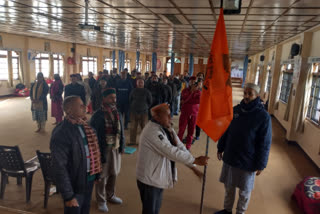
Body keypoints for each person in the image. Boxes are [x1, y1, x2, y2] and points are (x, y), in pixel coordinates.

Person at [136, 103, 210, 214]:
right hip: (149, 181)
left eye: (170, 115)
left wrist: (193, 166)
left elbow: (179, 146)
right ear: (157, 117)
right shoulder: (152, 132)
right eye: (167, 115)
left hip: (156, 177)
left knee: (155, 209)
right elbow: (171, 151)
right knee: (150, 211)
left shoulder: (166, 127)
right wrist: (194, 160)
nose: (170, 118)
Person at [215, 83, 272, 214]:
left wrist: (261, 164)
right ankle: (227, 210)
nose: (246, 96)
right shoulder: (236, 110)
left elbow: (265, 143)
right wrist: (220, 147)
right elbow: (226, 130)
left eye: (250, 94)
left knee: (244, 191)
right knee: (229, 186)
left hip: (248, 160)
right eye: (245, 93)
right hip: (231, 155)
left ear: (257, 95)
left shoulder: (263, 117)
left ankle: (240, 212)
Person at [50, 96, 102, 214]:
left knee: (85, 209)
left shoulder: (86, 126)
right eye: (80, 105)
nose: (85, 107)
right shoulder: (61, 133)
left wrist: (96, 174)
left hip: (88, 179)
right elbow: (59, 166)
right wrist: (68, 196)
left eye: (84, 104)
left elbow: (94, 151)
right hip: (74, 184)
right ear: (68, 110)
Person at [90, 88, 125, 213]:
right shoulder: (97, 115)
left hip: (115, 148)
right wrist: (96, 151)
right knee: (102, 175)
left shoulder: (117, 112)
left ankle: (110, 195)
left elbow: (121, 131)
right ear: (104, 98)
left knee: (114, 172)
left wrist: (122, 145)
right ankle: (101, 200)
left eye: (114, 98)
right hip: (103, 149)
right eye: (110, 97)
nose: (113, 100)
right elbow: (92, 135)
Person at [178, 76, 201, 150]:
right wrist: (192, 92)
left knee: (191, 131)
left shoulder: (199, 92)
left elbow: (198, 101)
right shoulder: (185, 90)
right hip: (185, 113)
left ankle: (188, 147)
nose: (193, 83)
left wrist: (193, 94)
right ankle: (178, 145)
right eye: (191, 81)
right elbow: (185, 100)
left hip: (194, 114)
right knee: (181, 130)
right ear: (189, 82)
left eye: (194, 82)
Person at [129, 78, 152, 145]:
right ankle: (132, 142)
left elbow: (150, 101)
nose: (140, 84)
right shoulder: (133, 91)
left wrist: (145, 107)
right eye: (139, 82)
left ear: (143, 84)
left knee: (144, 128)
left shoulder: (147, 91)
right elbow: (130, 100)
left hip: (144, 112)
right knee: (133, 128)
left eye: (141, 82)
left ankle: (145, 142)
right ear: (137, 83)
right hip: (134, 112)